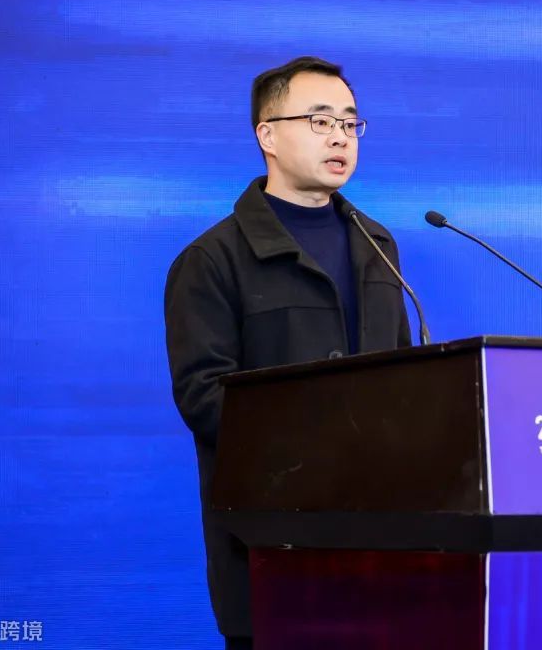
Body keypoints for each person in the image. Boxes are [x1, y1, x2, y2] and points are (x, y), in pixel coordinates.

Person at [163, 56, 412, 649]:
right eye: (320, 120)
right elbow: (204, 398)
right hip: (271, 551)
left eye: (350, 123)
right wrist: (325, 440)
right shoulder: (213, 260)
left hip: (385, 549)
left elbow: (408, 378)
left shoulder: (377, 245)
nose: (340, 137)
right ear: (267, 136)